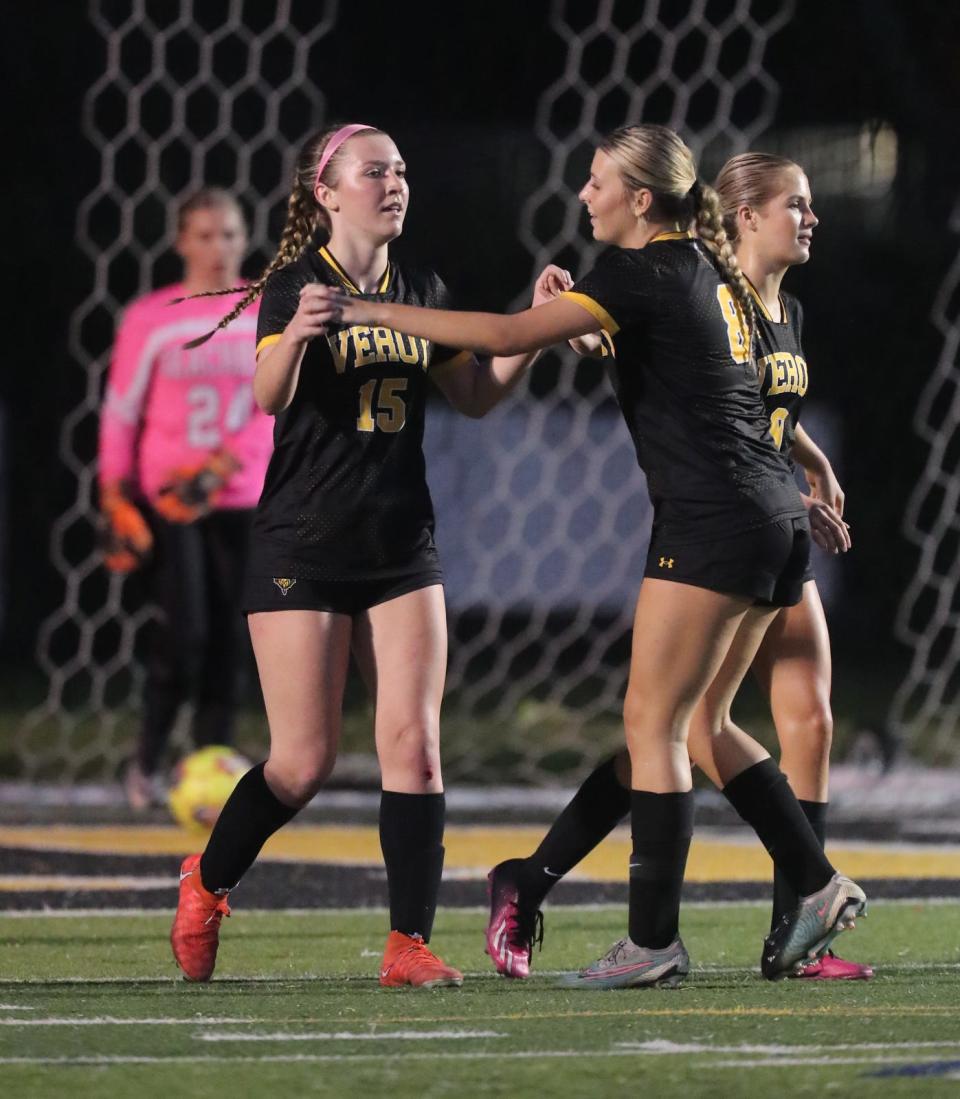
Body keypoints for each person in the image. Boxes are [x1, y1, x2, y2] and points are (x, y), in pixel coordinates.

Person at [309, 125, 868, 988]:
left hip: (712, 521)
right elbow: (700, 379)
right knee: (697, 724)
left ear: (642, 200)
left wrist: (371, 309)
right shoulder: (712, 276)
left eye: (598, 179)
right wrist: (813, 468)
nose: (583, 193)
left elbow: (498, 335)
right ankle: (802, 886)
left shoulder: (645, 270)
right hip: (766, 519)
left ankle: (673, 933)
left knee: (657, 725)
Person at [169, 123, 548, 988]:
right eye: (374, 171)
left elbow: (477, 395)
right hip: (304, 539)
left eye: (403, 170)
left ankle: (406, 942)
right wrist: (298, 335)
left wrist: (533, 322)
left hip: (400, 544)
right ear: (327, 192)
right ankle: (207, 880)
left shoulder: (421, 288)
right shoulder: (297, 285)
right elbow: (268, 396)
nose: (395, 183)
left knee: (414, 746)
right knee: (302, 761)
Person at [481, 152, 873, 982]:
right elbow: (682, 374)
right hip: (732, 524)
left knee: (798, 720)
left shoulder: (783, 310)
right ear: (743, 216)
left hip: (766, 525)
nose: (811, 218)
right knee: (685, 727)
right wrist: (588, 334)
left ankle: (794, 929)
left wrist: (814, 468)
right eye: (795, 204)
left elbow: (764, 411)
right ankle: (794, 902)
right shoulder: (712, 293)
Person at [99, 188, 273, 809]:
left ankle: (211, 765)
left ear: (245, 237)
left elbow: (277, 403)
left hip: (241, 498)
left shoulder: (265, 308)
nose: (218, 248)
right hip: (172, 503)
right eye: (204, 235)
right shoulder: (151, 318)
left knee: (231, 634)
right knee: (185, 632)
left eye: (228, 234)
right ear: (180, 242)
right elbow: (122, 410)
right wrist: (114, 493)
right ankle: (145, 760)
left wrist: (225, 463)